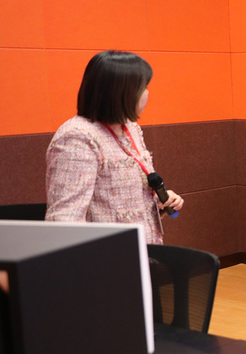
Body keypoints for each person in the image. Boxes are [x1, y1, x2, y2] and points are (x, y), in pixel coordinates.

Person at [47, 50, 184, 244]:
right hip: (107, 255)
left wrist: (158, 203)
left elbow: (120, 198)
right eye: (144, 87)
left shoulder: (130, 128)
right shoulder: (77, 137)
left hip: (144, 249)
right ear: (122, 93)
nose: (147, 93)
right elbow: (65, 220)